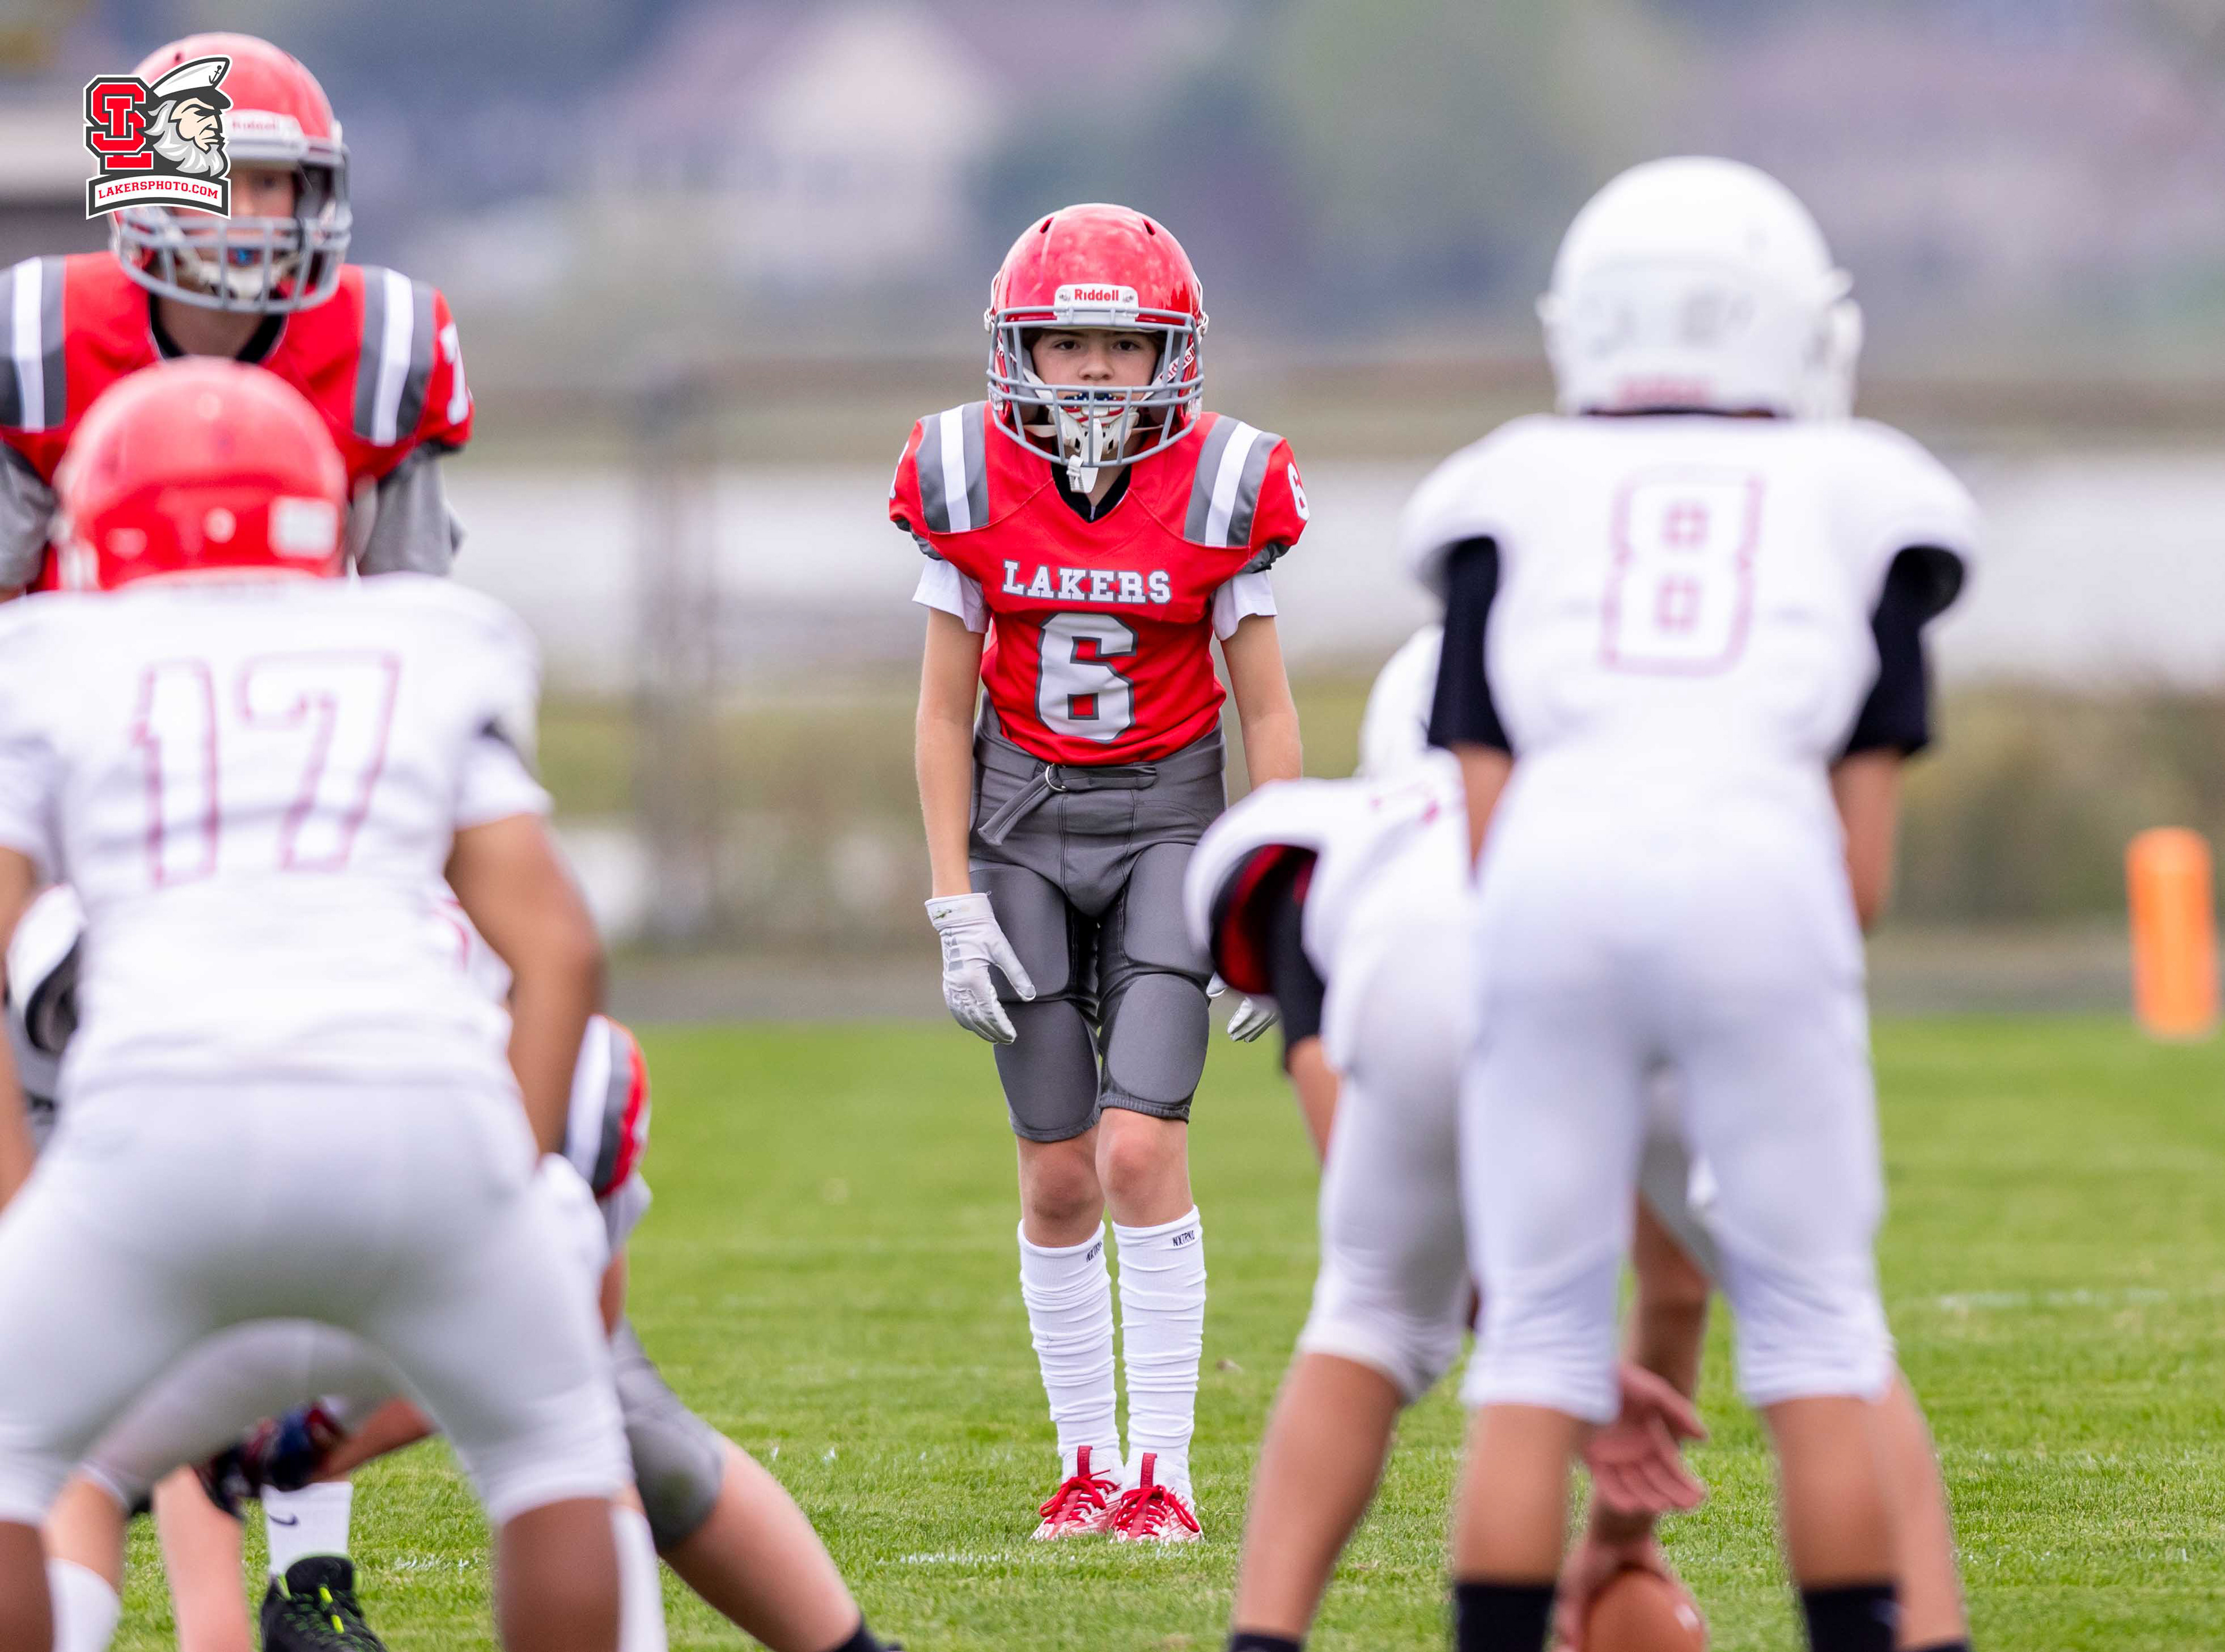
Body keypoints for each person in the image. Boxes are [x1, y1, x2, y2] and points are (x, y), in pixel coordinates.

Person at [1414, 157, 1979, 1652]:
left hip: (1546, 884)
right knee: (1816, 1331)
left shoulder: (1505, 488)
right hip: (1762, 884)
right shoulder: (1866, 497)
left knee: (1535, 1348)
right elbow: (1858, 872)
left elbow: (1487, 828)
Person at [0, 358, 631, 1652]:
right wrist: (499, 1185)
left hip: (157, 1124)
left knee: (18, 1457)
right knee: (556, 1451)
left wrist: (22, 1206)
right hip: (420, 1114)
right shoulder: (426, 639)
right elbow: (559, 947)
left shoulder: (51, 659)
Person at [1192, 628, 1972, 1651]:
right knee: (1825, 1329)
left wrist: (1554, 1351)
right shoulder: (1653, 806)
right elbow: (1676, 1283)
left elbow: (1356, 1153)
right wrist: (1620, 1531)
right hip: (1681, 924)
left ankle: (1264, 1636)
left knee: (1374, 1314)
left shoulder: (1330, 837)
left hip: (1422, 953)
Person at [895, 202, 1308, 1541]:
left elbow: (1269, 713)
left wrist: (1271, 895)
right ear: (1017, 349)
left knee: (1139, 1148)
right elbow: (941, 710)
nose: (1089, 370)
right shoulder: (965, 471)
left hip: (1167, 828)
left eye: (1120, 346)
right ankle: (1083, 1464)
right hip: (1020, 825)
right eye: (1064, 341)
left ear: (1169, 356)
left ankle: (1163, 1476)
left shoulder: (1221, 480)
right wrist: (952, 895)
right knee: (1059, 1172)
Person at [1, 32, 470, 596]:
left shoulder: (380, 342)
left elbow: (410, 605)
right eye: (213, 182)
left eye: (267, 182)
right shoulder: (46, 333)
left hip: (295, 648)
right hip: (96, 648)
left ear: (308, 195)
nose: (240, 213)